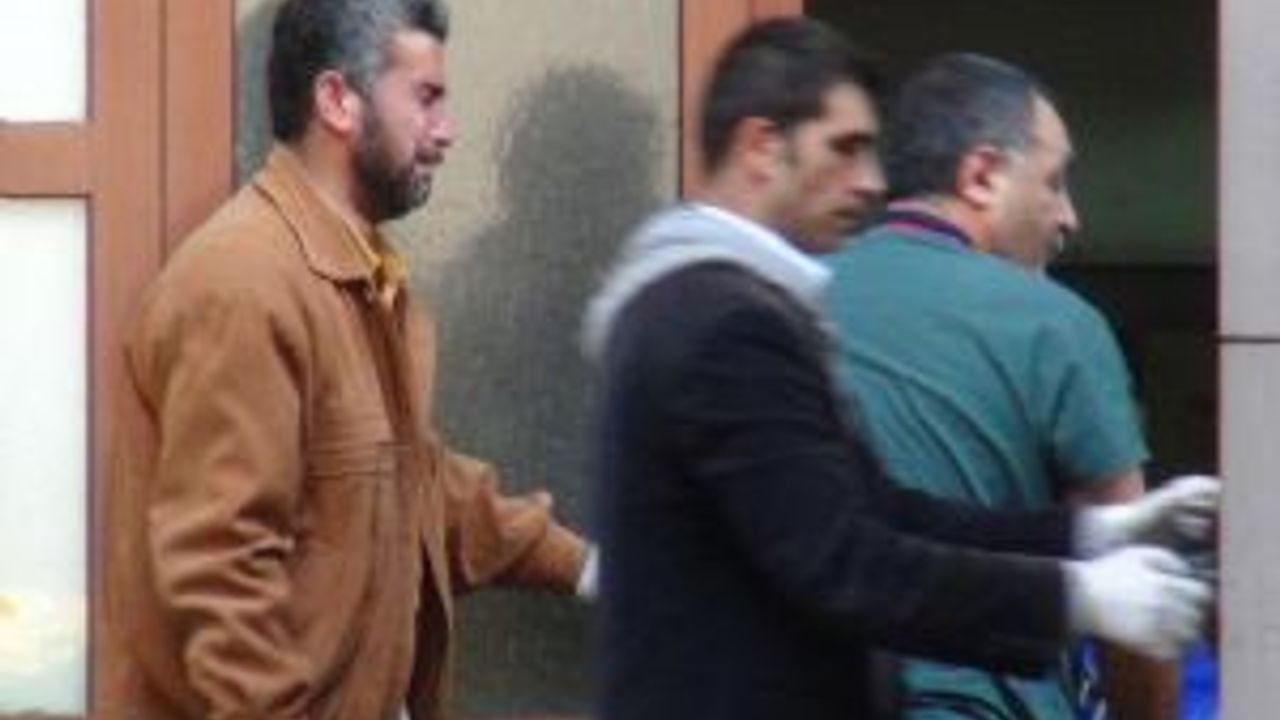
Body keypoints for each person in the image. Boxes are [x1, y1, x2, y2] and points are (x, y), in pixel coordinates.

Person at [582, 18, 1217, 720]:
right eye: (845, 148)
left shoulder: (718, 300)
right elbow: (847, 562)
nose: (872, 181)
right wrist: (1082, 596)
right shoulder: (724, 322)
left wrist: (1103, 534)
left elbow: (885, 511)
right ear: (762, 146)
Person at [103, 2, 593, 719]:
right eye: (426, 98)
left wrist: (586, 566)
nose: (446, 131)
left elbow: (411, 486)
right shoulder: (242, 284)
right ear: (337, 100)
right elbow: (221, 573)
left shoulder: (359, 280)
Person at [823, 53, 1177, 719]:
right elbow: (1139, 591)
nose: (1069, 217)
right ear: (982, 176)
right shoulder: (1059, 324)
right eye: (1054, 182)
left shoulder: (786, 302)